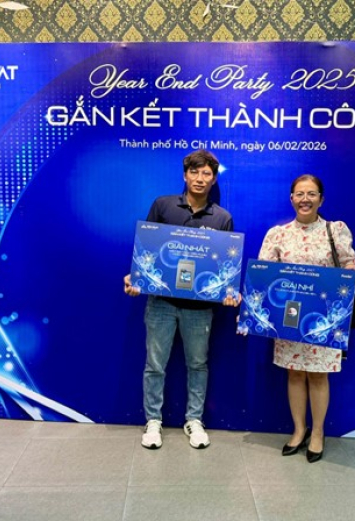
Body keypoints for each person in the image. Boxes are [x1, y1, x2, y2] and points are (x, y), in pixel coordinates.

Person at [124, 149, 241, 450]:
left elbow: (225, 267)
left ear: (213, 179)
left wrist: (229, 291)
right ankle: (153, 421)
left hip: (200, 309)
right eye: (194, 172)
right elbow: (147, 251)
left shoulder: (222, 218)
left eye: (206, 174)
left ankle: (194, 420)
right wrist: (135, 278)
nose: (200, 178)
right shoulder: (163, 206)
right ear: (185, 175)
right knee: (155, 365)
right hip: (161, 303)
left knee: (198, 365)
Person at [257, 174, 355, 463]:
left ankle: (318, 433)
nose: (305, 199)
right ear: (291, 199)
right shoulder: (277, 234)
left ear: (321, 199)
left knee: (318, 375)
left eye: (311, 194)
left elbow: (348, 264)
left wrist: (353, 275)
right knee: (294, 373)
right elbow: (263, 275)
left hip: (323, 320)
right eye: (300, 194)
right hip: (288, 318)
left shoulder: (335, 230)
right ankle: (299, 430)